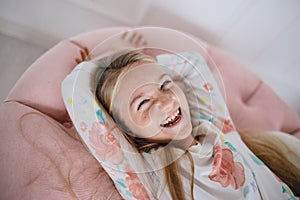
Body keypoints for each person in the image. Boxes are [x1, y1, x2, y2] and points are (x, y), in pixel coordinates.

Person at [91, 44, 300, 199]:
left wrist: (147, 64)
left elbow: (193, 63)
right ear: (126, 129)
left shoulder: (217, 127)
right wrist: (91, 71)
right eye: (143, 103)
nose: (167, 102)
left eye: (164, 84)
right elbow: (71, 88)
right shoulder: (149, 176)